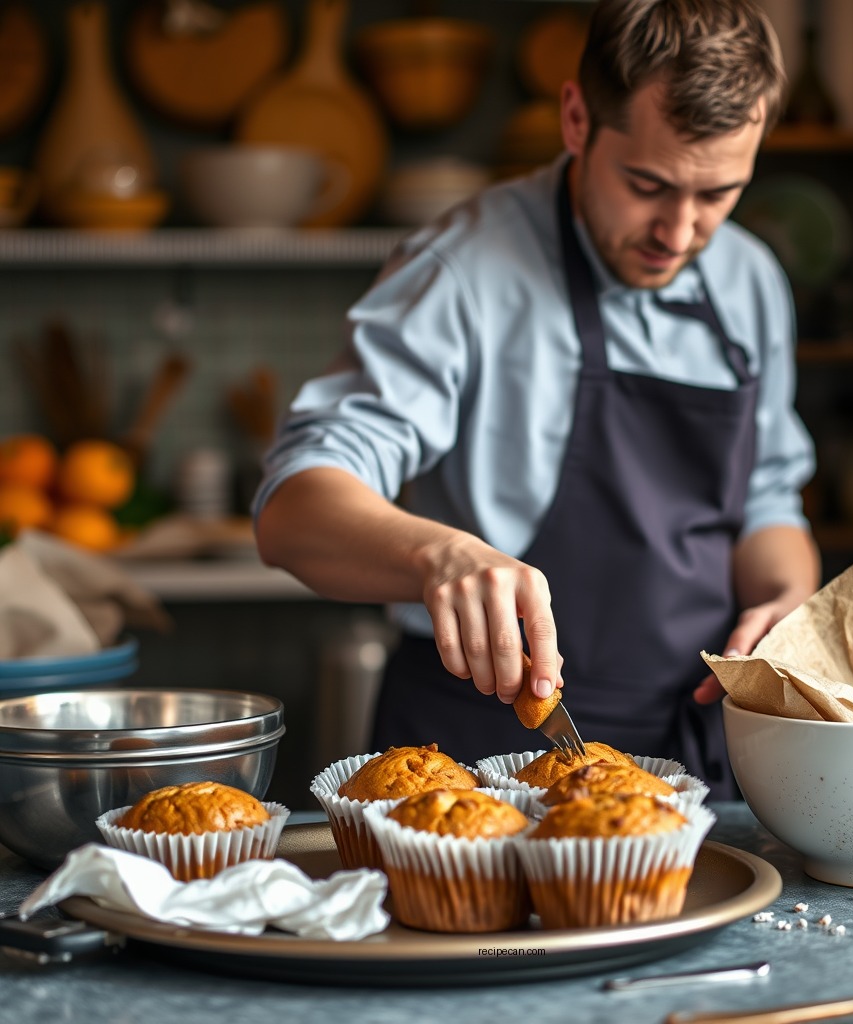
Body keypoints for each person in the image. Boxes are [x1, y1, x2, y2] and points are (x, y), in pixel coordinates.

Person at [254, 0, 820, 796]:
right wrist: (436, 556)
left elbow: (767, 502)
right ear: (577, 117)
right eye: (648, 184)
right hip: (474, 760)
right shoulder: (463, 272)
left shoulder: (749, 279)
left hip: (697, 756)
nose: (680, 233)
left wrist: (786, 605)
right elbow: (292, 512)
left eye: (718, 194)